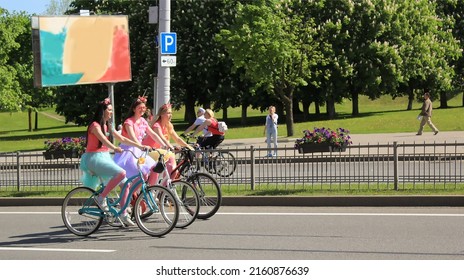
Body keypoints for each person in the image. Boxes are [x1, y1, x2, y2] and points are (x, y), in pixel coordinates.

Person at [80, 98, 150, 227]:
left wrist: (138, 145)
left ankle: (123, 214)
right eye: (110, 110)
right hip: (94, 158)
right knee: (122, 173)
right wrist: (115, 148)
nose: (111, 112)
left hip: (104, 157)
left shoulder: (107, 125)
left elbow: (122, 138)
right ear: (103, 111)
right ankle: (100, 198)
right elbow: (104, 140)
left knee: (126, 185)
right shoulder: (95, 125)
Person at [113, 96, 171, 212]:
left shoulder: (143, 121)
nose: (142, 110)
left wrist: (165, 144)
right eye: (140, 107)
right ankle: (127, 197)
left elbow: (153, 135)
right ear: (134, 109)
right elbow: (133, 138)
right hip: (128, 151)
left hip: (139, 150)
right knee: (130, 177)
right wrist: (141, 146)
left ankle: (132, 196)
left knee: (146, 174)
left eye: (144, 108)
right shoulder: (129, 122)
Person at [143, 103, 193, 180]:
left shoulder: (169, 125)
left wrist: (187, 146)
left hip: (162, 153)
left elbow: (177, 139)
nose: (171, 115)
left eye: (171, 113)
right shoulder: (156, 126)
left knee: (173, 170)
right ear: (162, 114)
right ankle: (153, 189)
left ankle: (165, 189)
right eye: (168, 113)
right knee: (155, 172)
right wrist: (171, 146)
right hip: (150, 152)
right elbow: (162, 138)